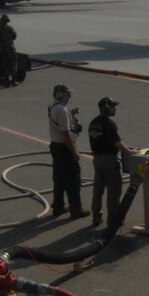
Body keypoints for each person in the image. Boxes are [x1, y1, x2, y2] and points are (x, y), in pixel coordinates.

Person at [87, 96, 135, 230]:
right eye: (113, 106)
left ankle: (96, 216)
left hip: (97, 160)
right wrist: (131, 152)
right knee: (113, 192)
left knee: (98, 190)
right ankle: (113, 221)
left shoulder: (93, 123)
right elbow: (117, 143)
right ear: (107, 108)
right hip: (109, 160)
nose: (115, 109)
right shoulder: (109, 124)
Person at [47, 83, 86, 218]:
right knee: (73, 180)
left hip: (55, 147)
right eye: (67, 94)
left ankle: (58, 207)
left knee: (59, 179)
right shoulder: (62, 111)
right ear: (60, 95)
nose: (69, 96)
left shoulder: (54, 106)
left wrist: (71, 113)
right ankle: (76, 209)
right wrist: (74, 152)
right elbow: (66, 133)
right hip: (64, 148)